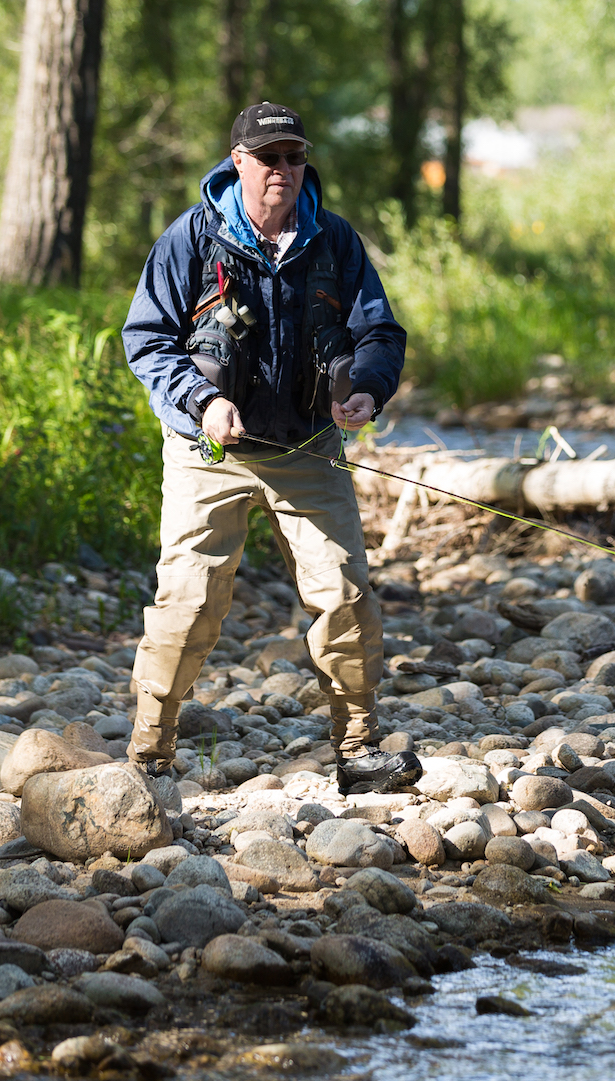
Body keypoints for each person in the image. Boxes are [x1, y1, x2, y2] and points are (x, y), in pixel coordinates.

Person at [122, 102, 417, 794]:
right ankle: (149, 755)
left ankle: (358, 747)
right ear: (239, 163)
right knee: (189, 603)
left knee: (345, 593)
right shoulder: (190, 239)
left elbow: (380, 333)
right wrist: (202, 400)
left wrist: (368, 391)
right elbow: (146, 340)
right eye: (269, 157)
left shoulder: (335, 242)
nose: (284, 169)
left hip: (308, 445)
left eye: (294, 157)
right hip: (207, 449)